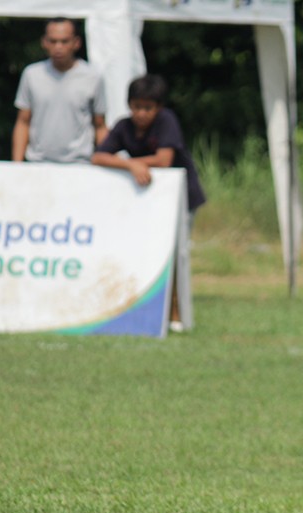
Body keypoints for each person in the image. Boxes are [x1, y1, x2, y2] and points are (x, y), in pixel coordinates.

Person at [92, 74, 207, 332]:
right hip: (149, 201)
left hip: (182, 199)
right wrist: (129, 163)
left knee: (175, 255)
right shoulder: (123, 126)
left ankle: (176, 313)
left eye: (147, 108)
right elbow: (98, 156)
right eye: (136, 107)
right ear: (129, 105)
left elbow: (164, 159)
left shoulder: (167, 122)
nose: (141, 114)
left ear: (158, 108)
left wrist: (134, 162)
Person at [12, 17, 108, 163]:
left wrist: (105, 160)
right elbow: (23, 121)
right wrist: (17, 165)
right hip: (38, 164)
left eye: (64, 41)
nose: (58, 47)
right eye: (53, 41)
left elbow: (100, 125)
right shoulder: (31, 74)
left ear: (76, 43)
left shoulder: (93, 77)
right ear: (44, 42)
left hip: (79, 165)